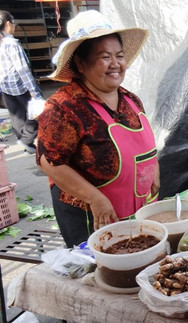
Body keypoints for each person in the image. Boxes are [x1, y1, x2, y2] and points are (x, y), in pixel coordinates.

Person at [36, 10, 160, 248]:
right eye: (105, 57)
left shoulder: (130, 99)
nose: (115, 64)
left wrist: (154, 169)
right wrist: (94, 199)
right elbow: (49, 162)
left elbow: (145, 143)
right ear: (81, 63)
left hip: (136, 208)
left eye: (120, 56)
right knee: (99, 275)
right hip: (90, 216)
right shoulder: (64, 107)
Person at [0, 10, 43, 154]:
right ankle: (26, 140)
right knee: (38, 113)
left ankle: (26, 144)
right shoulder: (11, 44)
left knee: (17, 116)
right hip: (20, 86)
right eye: (13, 23)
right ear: (7, 24)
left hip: (6, 87)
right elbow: (22, 69)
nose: (14, 27)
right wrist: (35, 91)